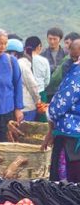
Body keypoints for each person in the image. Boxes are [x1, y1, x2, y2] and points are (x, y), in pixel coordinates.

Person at [44, 52, 80, 182]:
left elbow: (59, 105)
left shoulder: (77, 75)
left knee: (65, 185)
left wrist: (50, 117)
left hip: (71, 138)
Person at [7, 38, 40, 122]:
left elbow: (32, 85)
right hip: (20, 107)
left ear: (14, 53)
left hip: (25, 108)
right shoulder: (14, 63)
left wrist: (38, 101)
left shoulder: (21, 64)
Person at [24, 36, 51, 109]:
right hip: (40, 93)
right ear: (39, 46)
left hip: (26, 95)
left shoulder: (22, 60)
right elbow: (47, 80)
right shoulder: (44, 60)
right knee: (41, 118)